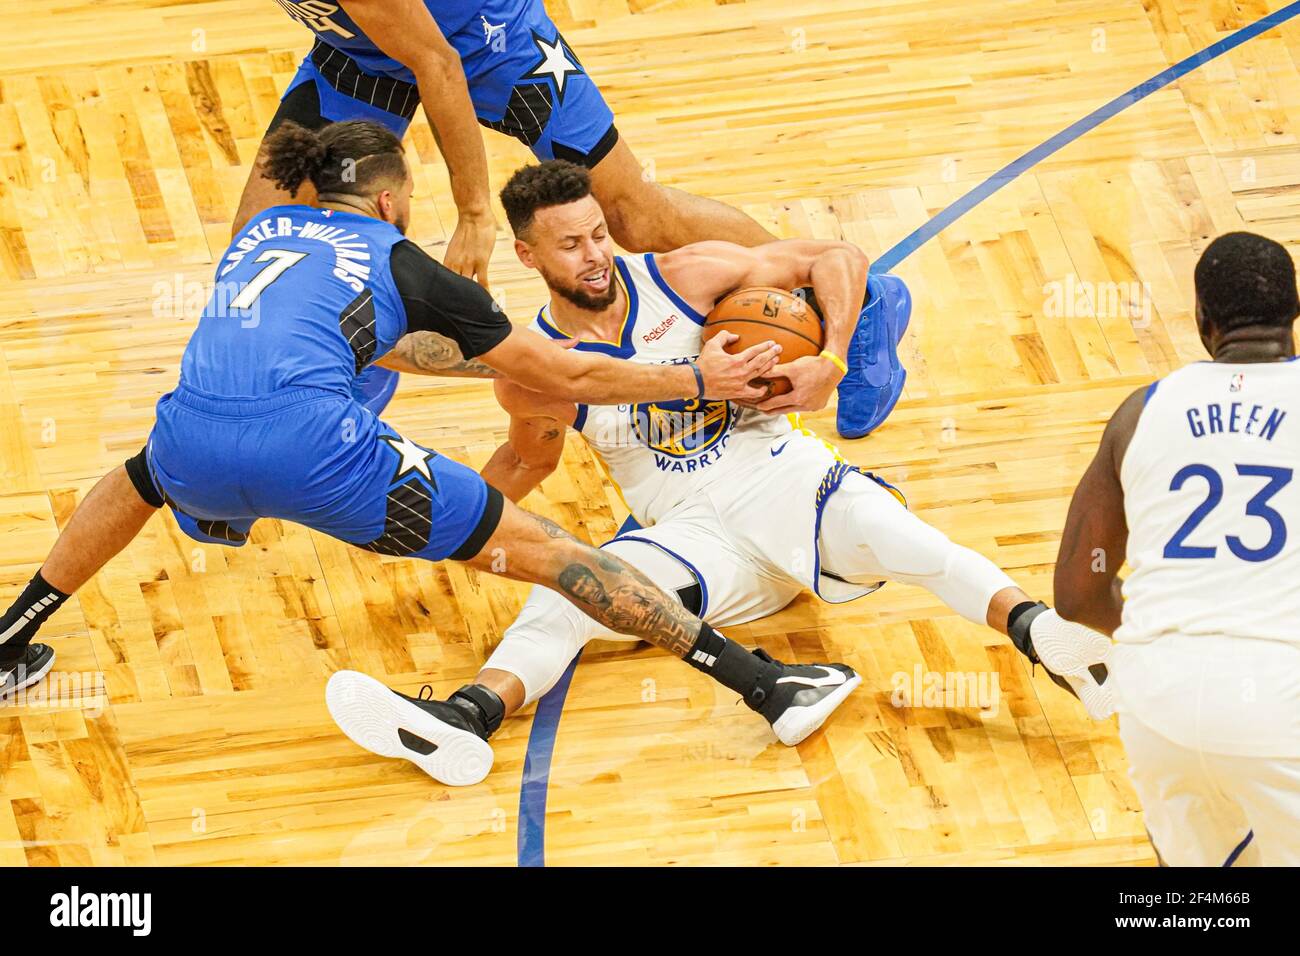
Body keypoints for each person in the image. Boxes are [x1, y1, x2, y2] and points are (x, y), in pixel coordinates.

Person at [2, 120, 864, 764]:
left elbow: (370, 340)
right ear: (388, 200)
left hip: (191, 438)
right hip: (317, 455)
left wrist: (482, 363)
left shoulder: (260, 233)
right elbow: (577, 378)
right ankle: (765, 684)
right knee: (555, 553)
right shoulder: (411, 265)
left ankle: (12, 636)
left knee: (137, 478)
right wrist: (696, 381)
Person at [325, 160, 1113, 787]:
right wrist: (428, 530)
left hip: (786, 481)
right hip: (694, 541)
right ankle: (465, 719)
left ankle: (1048, 637)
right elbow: (527, 459)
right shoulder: (531, 370)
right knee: (567, 588)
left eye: (599, 234)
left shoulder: (686, 276)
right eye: (571, 245)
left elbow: (836, 255)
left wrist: (831, 360)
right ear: (528, 256)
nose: (596, 256)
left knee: (902, 537)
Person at [247, 0, 907, 438]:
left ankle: (856, 298)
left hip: (485, 44)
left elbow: (438, 64)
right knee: (262, 237)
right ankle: (348, 383)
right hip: (365, 54)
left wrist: (476, 212)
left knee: (634, 216)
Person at [1054, 231, 1300, 867]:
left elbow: (1078, 594)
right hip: (1281, 694)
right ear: (1295, 312)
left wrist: (1169, 629)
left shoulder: (1141, 413)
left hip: (1156, 694)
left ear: (1201, 321)